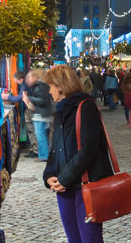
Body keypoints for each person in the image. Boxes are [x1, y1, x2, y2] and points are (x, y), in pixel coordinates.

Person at [42, 65, 112, 243]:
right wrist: (49, 174)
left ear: (60, 86)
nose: (49, 91)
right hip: (64, 187)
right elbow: (56, 147)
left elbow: (89, 149)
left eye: (50, 86)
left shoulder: (85, 107)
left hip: (85, 185)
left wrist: (64, 178)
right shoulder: (60, 110)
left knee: (90, 238)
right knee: (73, 239)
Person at [1, 71, 38, 158]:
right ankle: (34, 149)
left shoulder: (24, 85)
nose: (16, 83)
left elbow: (19, 98)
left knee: (31, 129)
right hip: (31, 109)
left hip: (30, 109)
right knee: (31, 129)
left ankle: (36, 150)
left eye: (16, 81)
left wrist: (7, 97)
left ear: (21, 79)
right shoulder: (26, 84)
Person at [24, 68, 54, 162]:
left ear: (35, 77)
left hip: (41, 115)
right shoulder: (38, 86)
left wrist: (29, 98)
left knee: (41, 135)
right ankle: (43, 155)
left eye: (29, 78)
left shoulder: (40, 86)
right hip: (41, 114)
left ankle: (44, 156)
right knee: (42, 135)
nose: (27, 80)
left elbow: (43, 100)